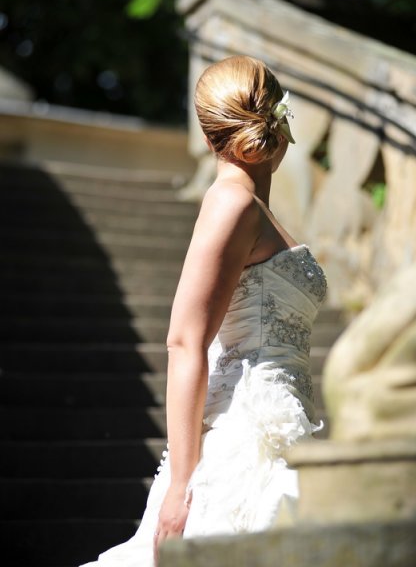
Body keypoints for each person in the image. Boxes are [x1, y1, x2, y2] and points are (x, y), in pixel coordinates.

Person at [80, 55, 326, 567]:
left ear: (209, 132)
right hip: (244, 437)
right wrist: (181, 486)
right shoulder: (231, 203)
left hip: (281, 426)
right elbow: (184, 341)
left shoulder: (252, 207)